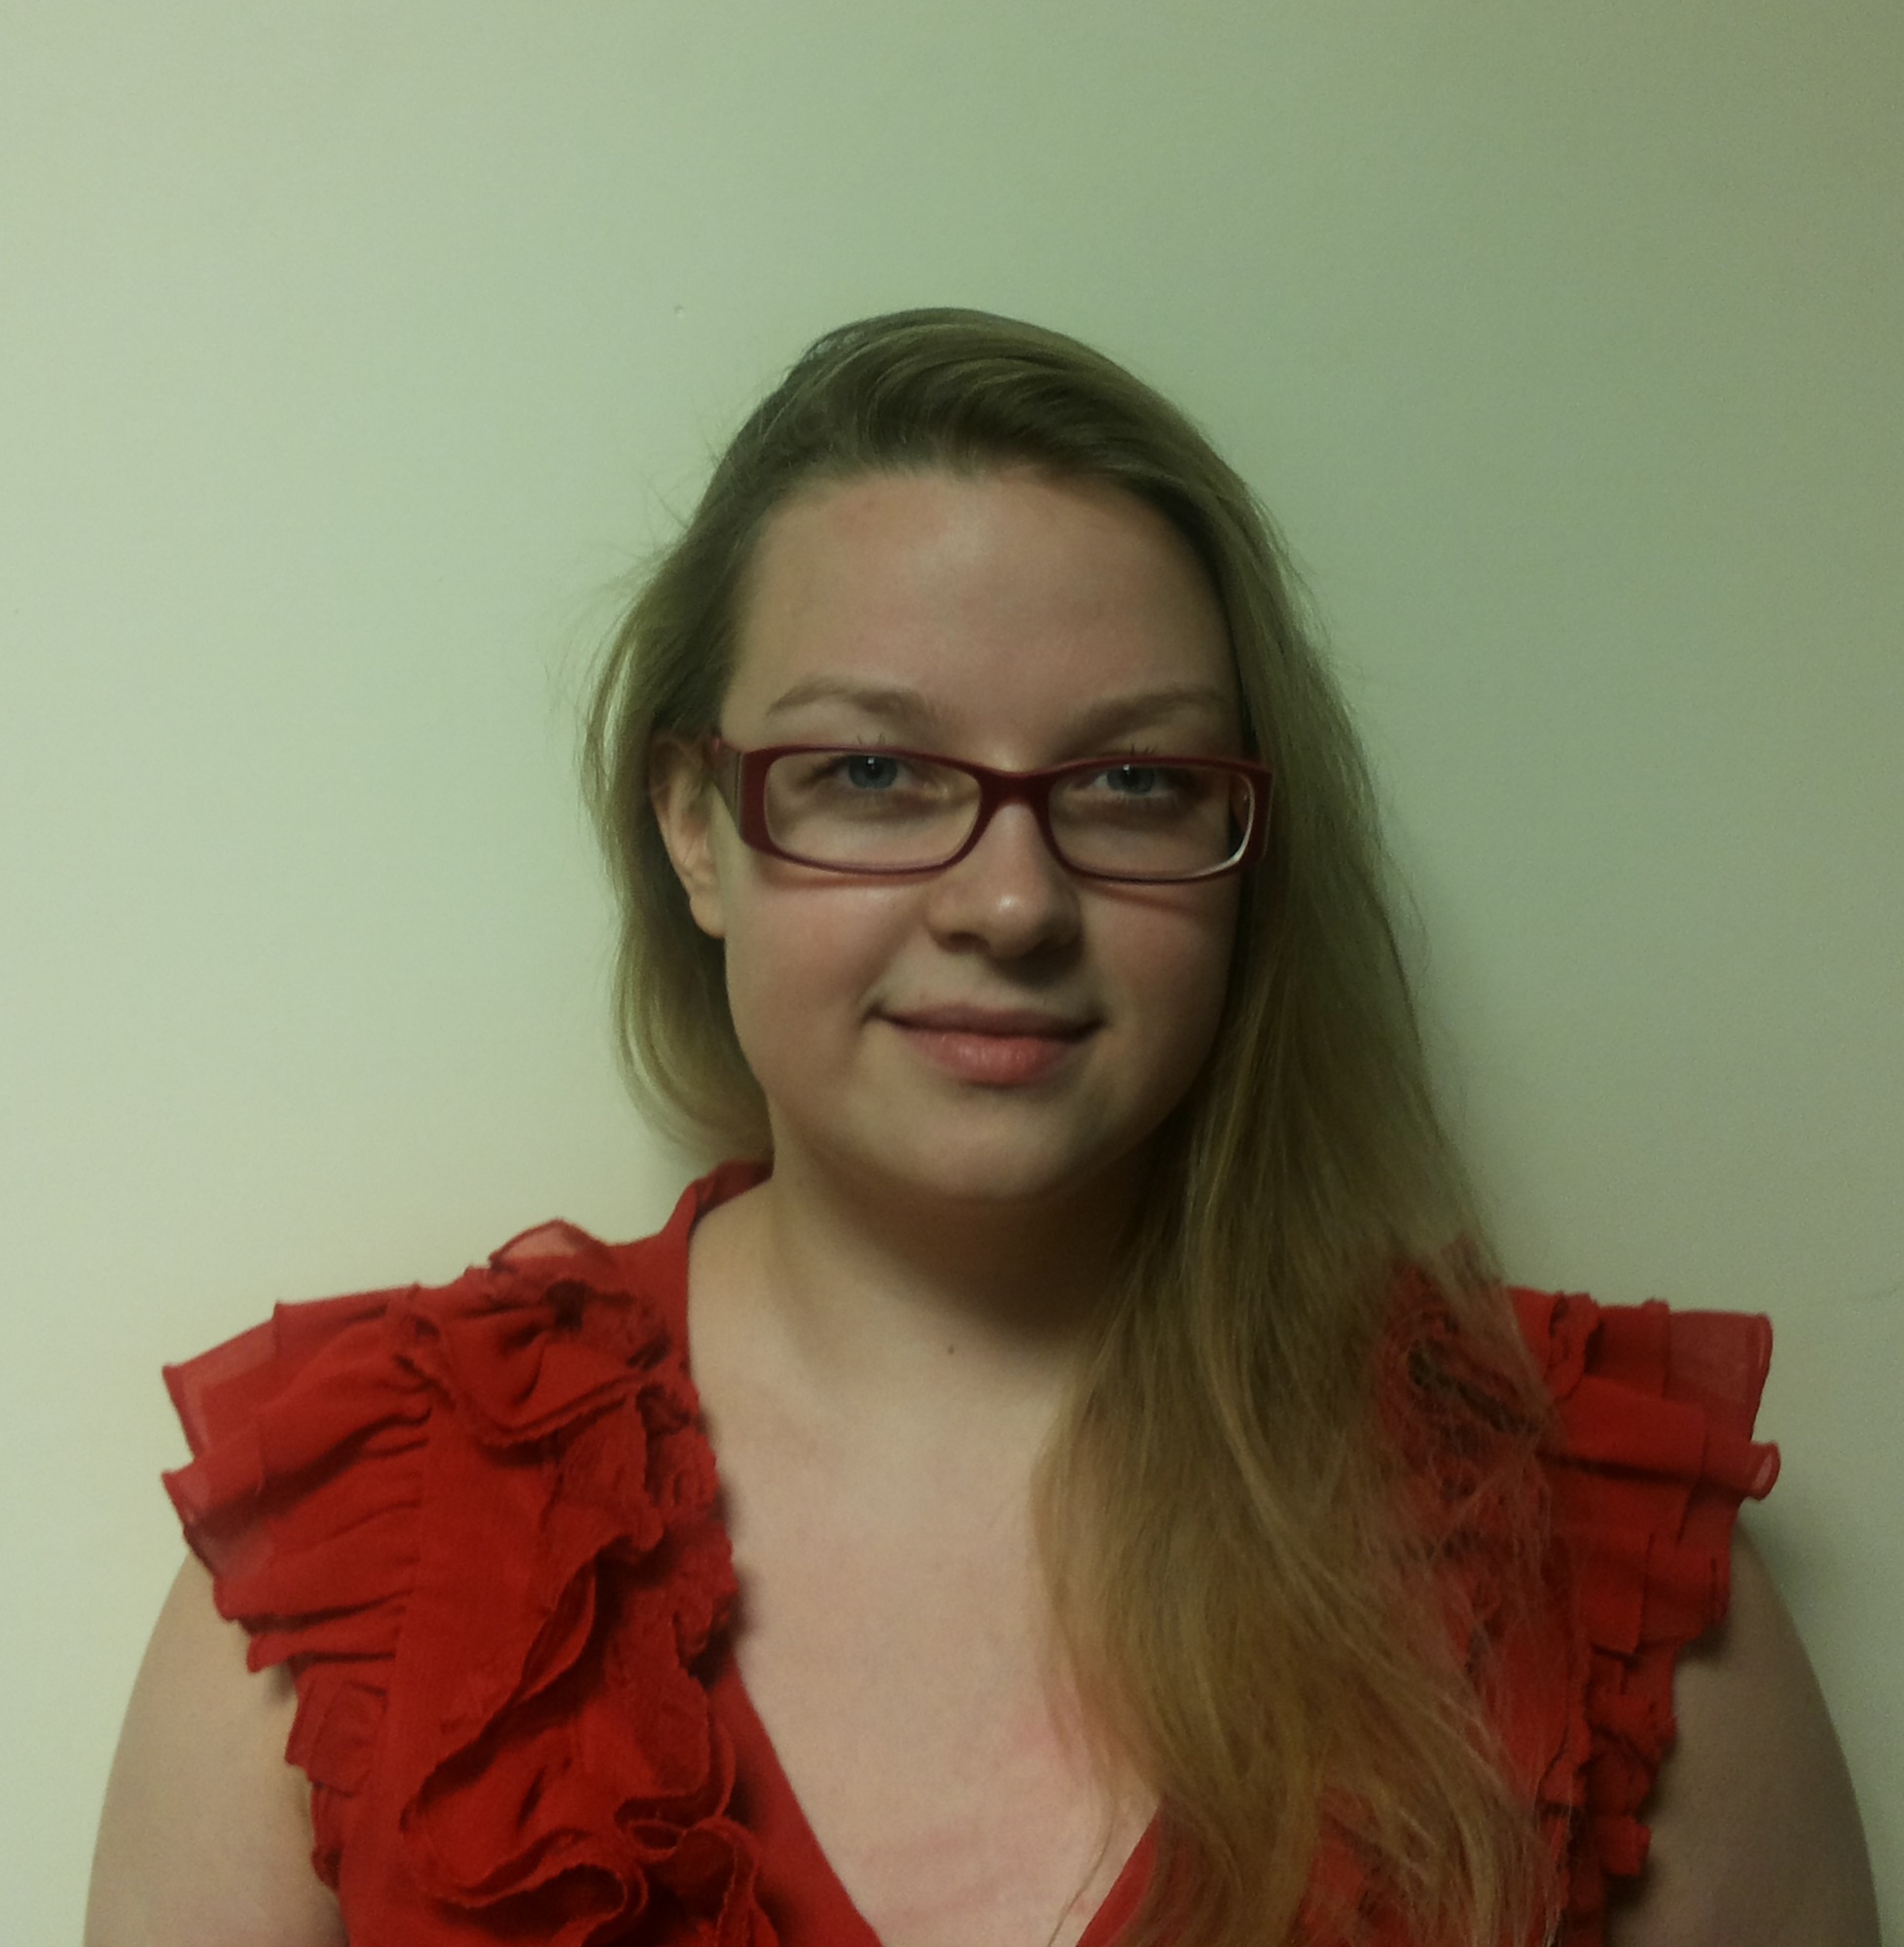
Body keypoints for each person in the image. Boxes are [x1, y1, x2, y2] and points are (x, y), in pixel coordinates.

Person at [87, 309, 1878, 1947]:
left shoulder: (1580, 1546)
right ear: (696, 829)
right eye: (869, 772)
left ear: (1243, 849)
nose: (1011, 903)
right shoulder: (379, 1549)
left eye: (1133, 780)